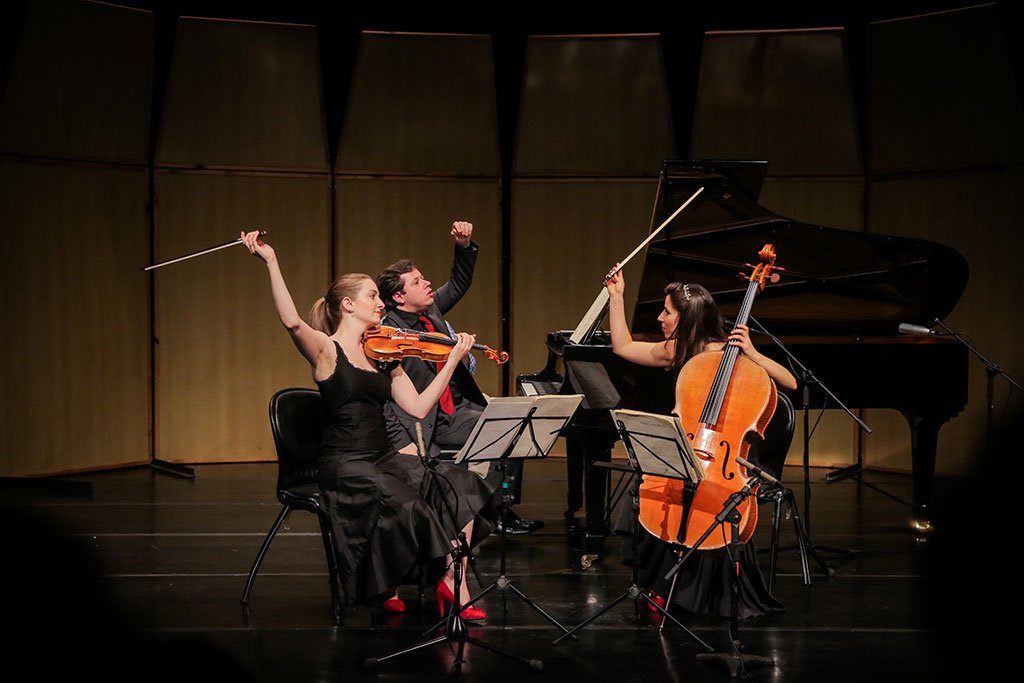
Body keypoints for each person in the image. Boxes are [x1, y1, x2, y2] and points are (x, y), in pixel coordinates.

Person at [241, 230, 496, 618]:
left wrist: (450, 362)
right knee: (409, 504)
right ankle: (383, 581)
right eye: (373, 297)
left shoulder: (383, 353)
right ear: (348, 305)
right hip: (346, 465)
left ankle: (452, 581)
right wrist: (271, 261)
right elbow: (292, 322)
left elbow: (416, 407)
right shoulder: (326, 350)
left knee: (458, 484)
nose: (380, 302)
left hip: (383, 456)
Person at [604, 266, 797, 618]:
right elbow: (623, 346)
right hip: (689, 448)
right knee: (648, 485)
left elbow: (789, 382)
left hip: (725, 459)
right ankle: (659, 585)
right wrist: (616, 297)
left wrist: (752, 352)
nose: (660, 317)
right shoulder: (676, 349)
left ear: (687, 317)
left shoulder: (730, 351)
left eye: (667, 312)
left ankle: (703, 592)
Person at [376, 221, 542, 535]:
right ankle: (489, 513)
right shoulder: (391, 336)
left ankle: (499, 509)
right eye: (417, 281)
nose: (427, 283)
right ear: (399, 297)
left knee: (515, 425)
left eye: (423, 277)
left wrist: (464, 247)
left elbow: (458, 282)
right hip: (429, 421)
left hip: (457, 408)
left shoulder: (431, 310)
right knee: (503, 430)